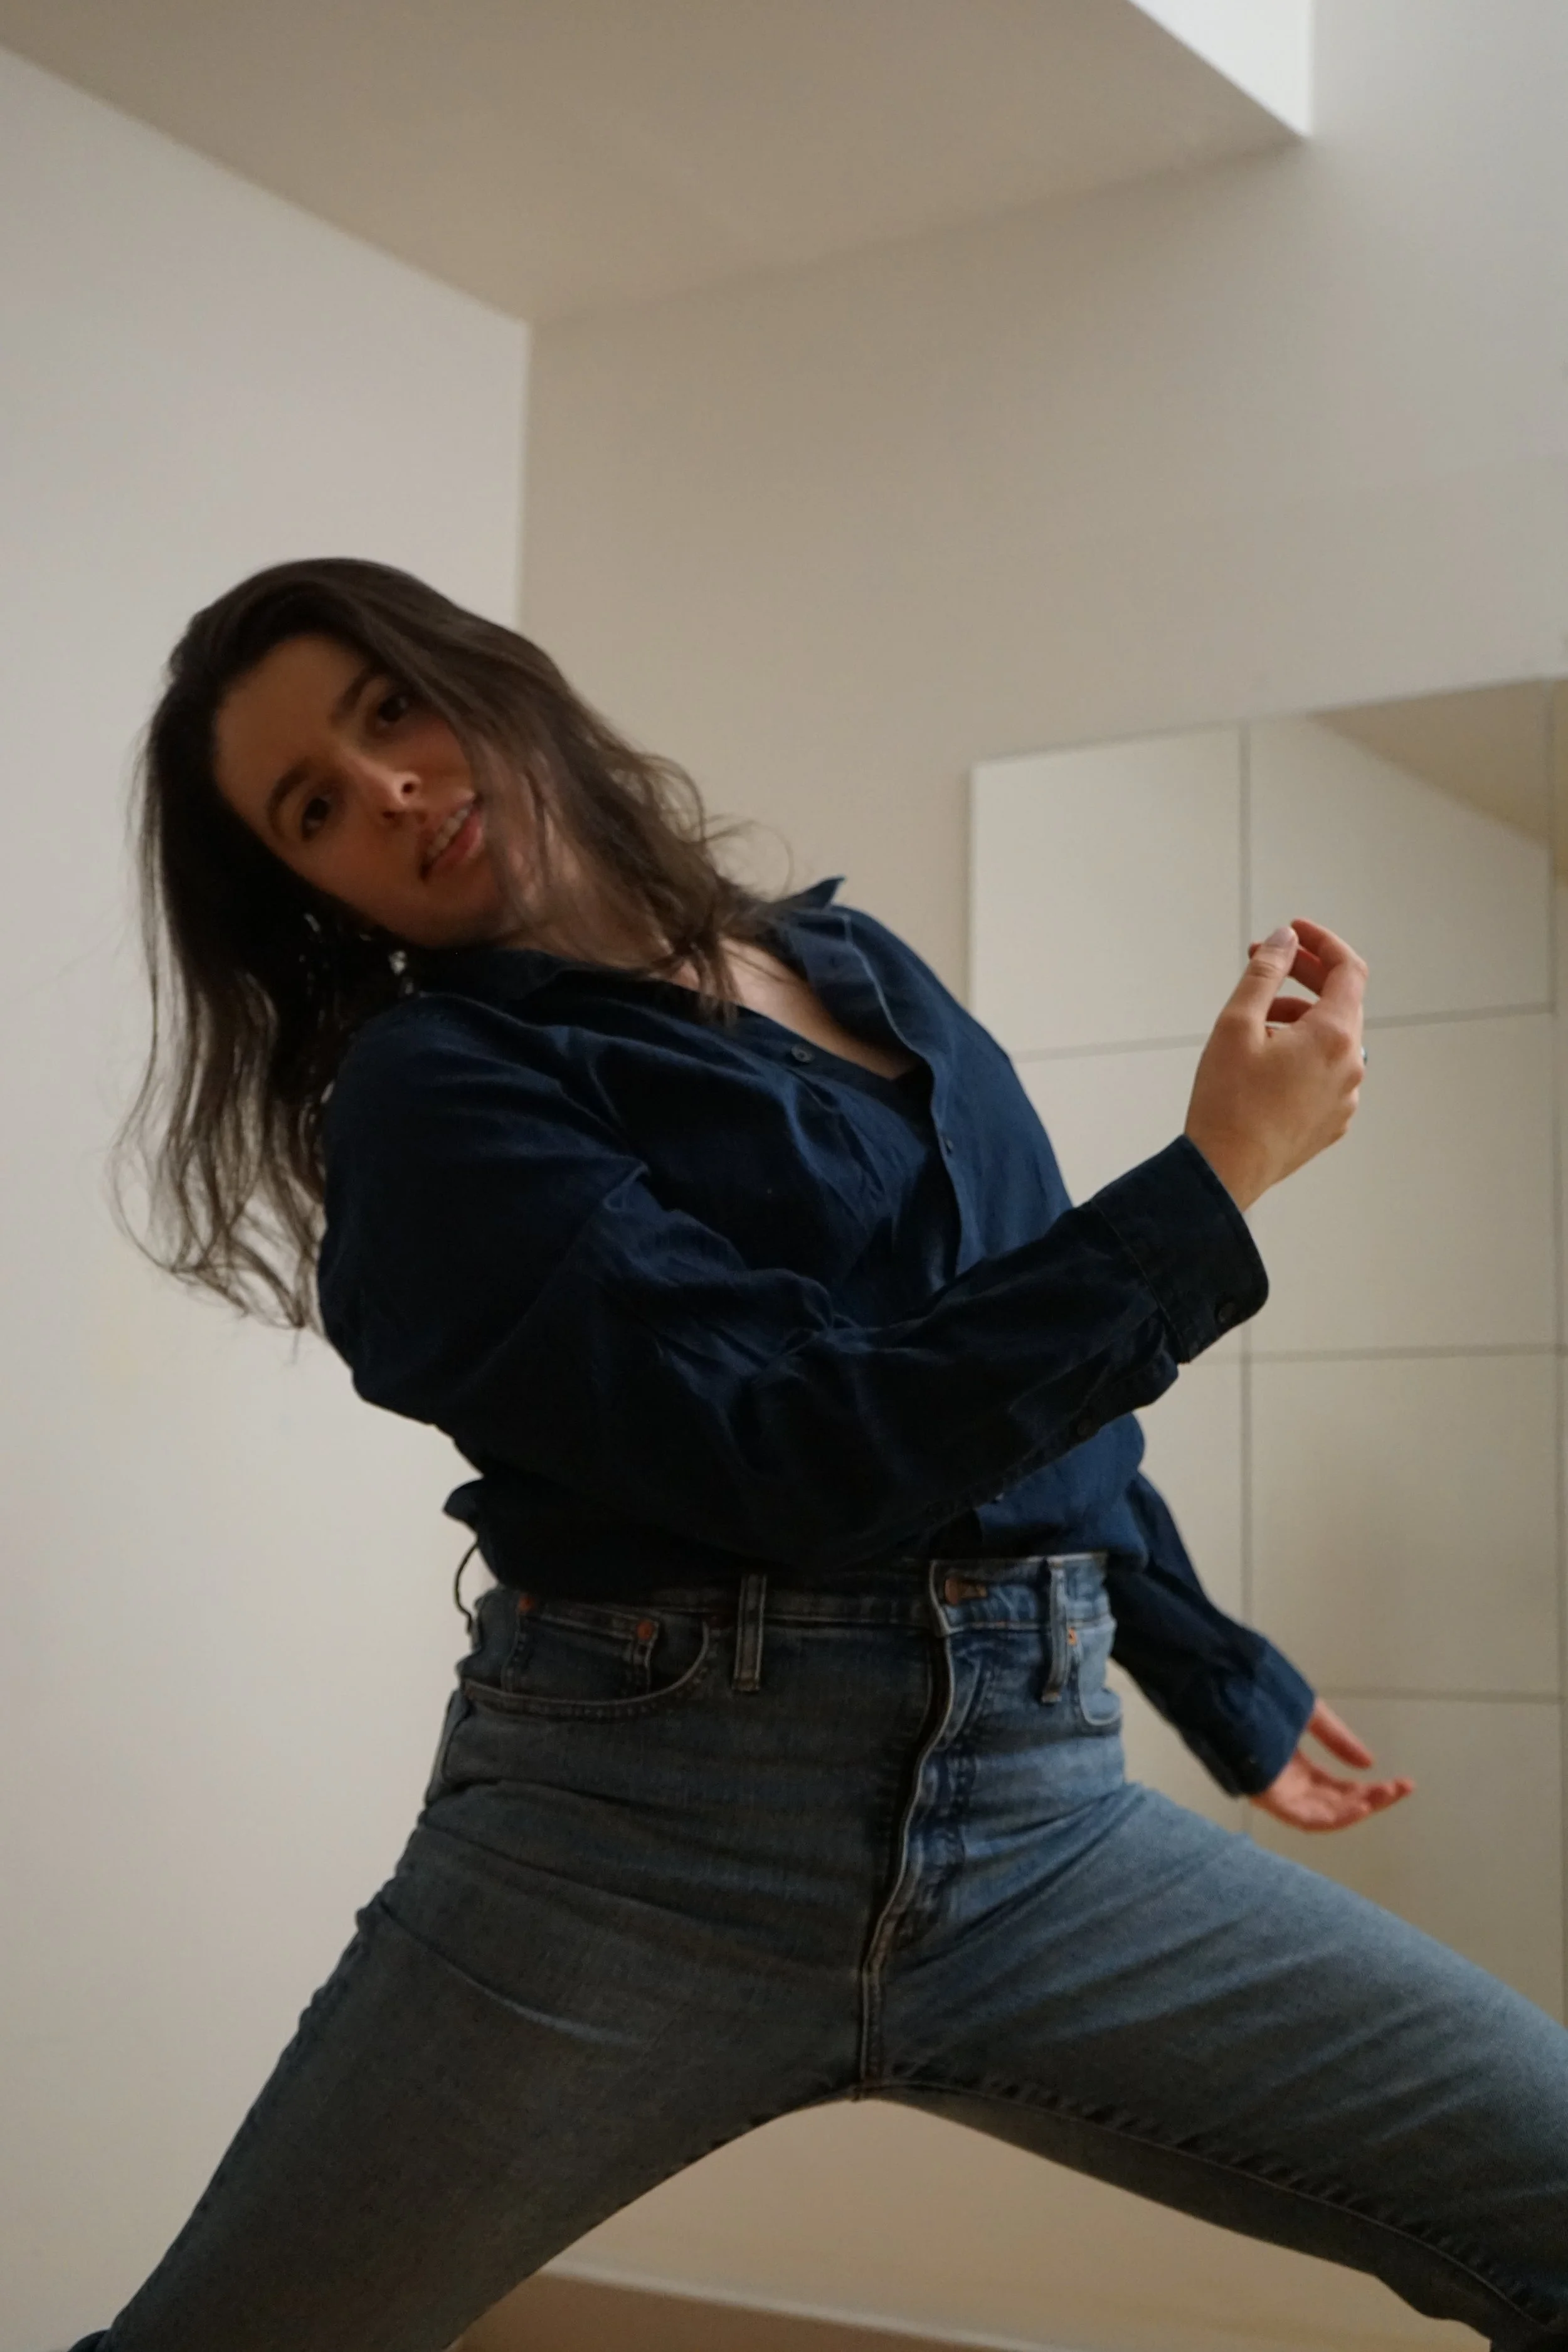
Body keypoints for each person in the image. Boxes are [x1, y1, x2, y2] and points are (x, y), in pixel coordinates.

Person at [70, 556, 1566, 2349]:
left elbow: (1001, 1365)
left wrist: (1204, 1662)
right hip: (635, 1847)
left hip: (1041, 1809)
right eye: (313, 807)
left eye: (391, 708)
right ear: (307, 890)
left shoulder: (858, 970)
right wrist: (1218, 1179)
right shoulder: (433, 1098)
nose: (387, 786)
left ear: (491, 680)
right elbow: (799, 1447)